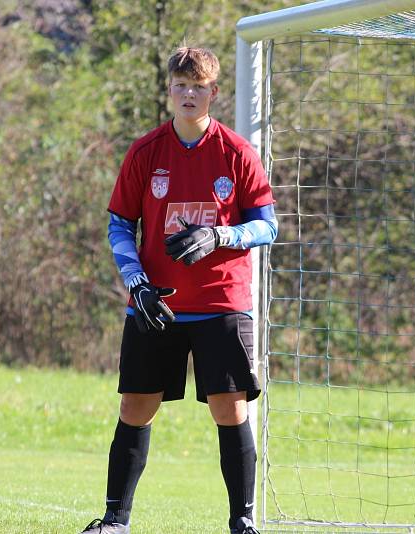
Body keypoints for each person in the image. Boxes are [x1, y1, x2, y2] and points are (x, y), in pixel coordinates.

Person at [81, 47, 277, 534]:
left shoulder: (237, 152)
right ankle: (115, 521)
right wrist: (137, 282)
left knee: (229, 410)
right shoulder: (146, 152)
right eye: (180, 85)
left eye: (198, 86)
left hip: (221, 304)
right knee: (135, 407)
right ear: (169, 90)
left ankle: (242, 523)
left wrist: (220, 235)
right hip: (156, 306)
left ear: (214, 92)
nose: (188, 94)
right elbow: (119, 225)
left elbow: (266, 227)